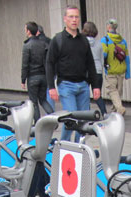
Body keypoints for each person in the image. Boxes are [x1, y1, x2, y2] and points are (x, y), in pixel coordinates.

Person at [46, 5, 101, 141]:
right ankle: (62, 146)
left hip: (83, 85)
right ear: (65, 19)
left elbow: (90, 64)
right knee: (70, 120)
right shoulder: (58, 40)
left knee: (83, 122)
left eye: (76, 17)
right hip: (66, 85)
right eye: (71, 17)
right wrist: (51, 87)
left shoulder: (83, 40)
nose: (74, 20)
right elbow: (49, 63)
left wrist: (95, 86)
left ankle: (78, 149)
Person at [21, 21, 54, 123]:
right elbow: (48, 62)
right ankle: (53, 118)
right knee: (43, 100)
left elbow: (25, 64)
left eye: (25, 29)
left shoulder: (27, 46)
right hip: (43, 76)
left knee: (34, 102)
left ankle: (38, 124)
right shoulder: (44, 44)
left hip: (32, 77)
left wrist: (23, 80)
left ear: (29, 31)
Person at [101, 18, 130, 116]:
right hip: (121, 70)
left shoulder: (105, 40)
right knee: (118, 91)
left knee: (112, 91)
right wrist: (128, 72)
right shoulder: (122, 41)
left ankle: (119, 108)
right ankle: (115, 112)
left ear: (108, 27)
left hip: (111, 70)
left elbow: (104, 55)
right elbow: (127, 57)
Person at [83, 21, 107, 116]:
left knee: (84, 95)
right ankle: (104, 113)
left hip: (86, 71)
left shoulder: (82, 42)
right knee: (97, 95)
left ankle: (87, 114)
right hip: (98, 71)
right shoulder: (99, 43)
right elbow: (102, 59)